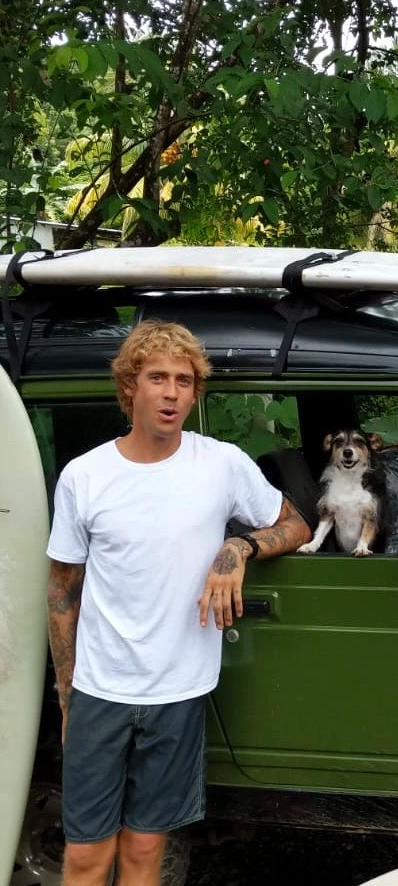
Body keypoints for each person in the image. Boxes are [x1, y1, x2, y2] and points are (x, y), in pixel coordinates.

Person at [46, 320, 311, 886]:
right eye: (157, 377)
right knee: (87, 857)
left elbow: (295, 524)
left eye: (185, 381)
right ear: (130, 387)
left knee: (146, 852)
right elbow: (63, 588)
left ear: (195, 392)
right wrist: (67, 696)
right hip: (101, 692)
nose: (171, 393)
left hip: (179, 693)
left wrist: (238, 547)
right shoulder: (85, 476)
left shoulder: (221, 464)